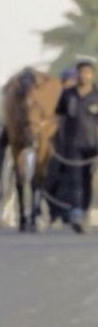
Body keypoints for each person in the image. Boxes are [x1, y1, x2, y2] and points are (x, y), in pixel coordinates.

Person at [49, 58, 98, 233]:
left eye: (87, 73)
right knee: (75, 180)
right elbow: (58, 116)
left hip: (92, 146)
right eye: (81, 73)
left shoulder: (96, 95)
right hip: (72, 145)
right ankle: (76, 212)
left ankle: (83, 211)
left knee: (87, 181)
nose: (84, 76)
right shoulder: (68, 94)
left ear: (92, 75)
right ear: (77, 75)